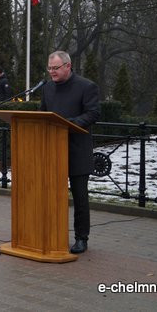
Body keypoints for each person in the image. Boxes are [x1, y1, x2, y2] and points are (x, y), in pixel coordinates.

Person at [39, 50, 100, 255]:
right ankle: (50, 232)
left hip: (76, 150)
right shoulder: (47, 88)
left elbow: (93, 113)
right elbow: (43, 113)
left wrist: (69, 124)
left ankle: (81, 238)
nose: (52, 72)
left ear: (67, 66)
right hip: (52, 151)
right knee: (50, 195)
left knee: (80, 198)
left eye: (55, 68)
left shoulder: (86, 86)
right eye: (49, 68)